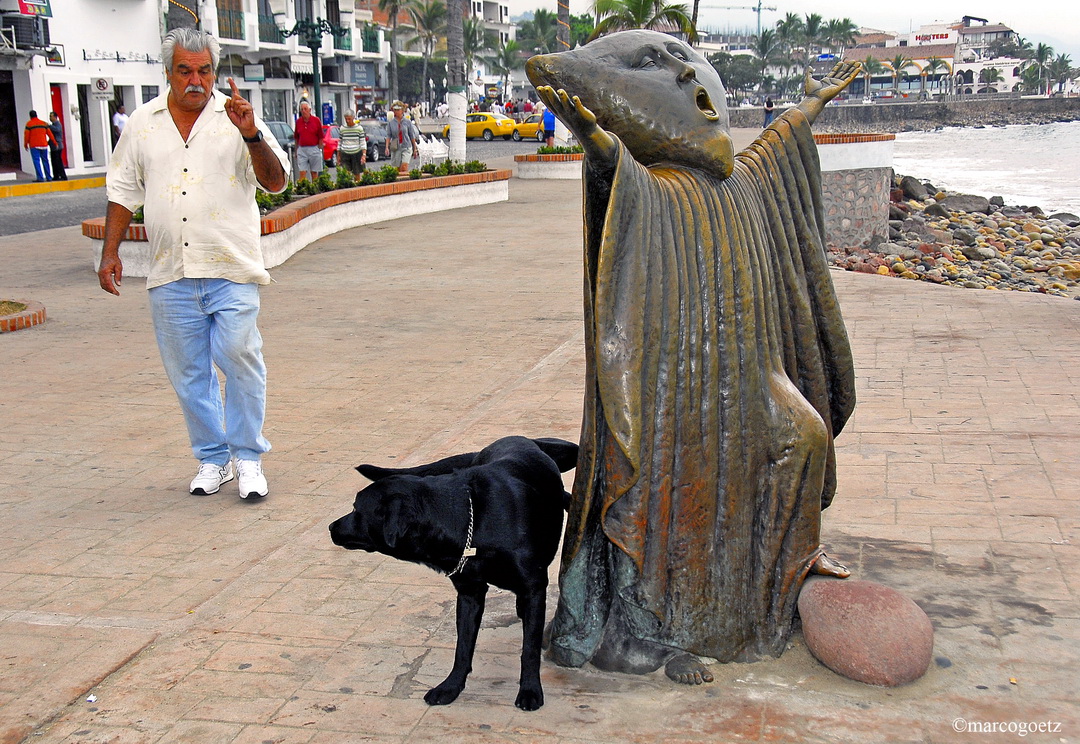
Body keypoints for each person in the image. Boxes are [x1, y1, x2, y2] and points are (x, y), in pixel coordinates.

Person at [528, 31, 857, 684]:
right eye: (656, 63)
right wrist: (599, 145)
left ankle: (772, 586)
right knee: (653, 486)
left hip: (753, 383)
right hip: (679, 395)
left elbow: (773, 149)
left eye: (688, 60)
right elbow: (618, 177)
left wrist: (809, 109)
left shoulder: (743, 181)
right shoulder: (654, 190)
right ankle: (648, 626)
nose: (685, 75)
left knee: (804, 438)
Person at [97, 28, 289, 500]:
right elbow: (123, 190)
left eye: (204, 70)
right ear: (168, 72)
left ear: (215, 72)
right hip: (170, 272)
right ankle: (213, 458)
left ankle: (248, 457)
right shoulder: (142, 123)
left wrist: (251, 134)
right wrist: (109, 252)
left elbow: (276, 182)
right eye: (185, 70)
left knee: (241, 358)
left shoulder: (237, 117)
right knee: (188, 372)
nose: (196, 80)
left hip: (230, 268)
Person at [385, 100, 420, 174]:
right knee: (397, 169)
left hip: (406, 146)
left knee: (404, 167)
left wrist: (415, 148)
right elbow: (388, 135)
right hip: (396, 147)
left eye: (398, 110)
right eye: (394, 110)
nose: (396, 112)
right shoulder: (391, 123)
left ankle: (405, 182)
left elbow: (411, 135)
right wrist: (387, 147)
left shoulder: (407, 122)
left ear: (402, 111)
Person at [294, 100, 323, 182]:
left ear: (309, 110)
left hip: (314, 148)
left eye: (305, 109)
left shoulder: (316, 120)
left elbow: (320, 135)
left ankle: (315, 189)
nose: (303, 111)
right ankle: (302, 188)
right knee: (302, 172)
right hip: (302, 149)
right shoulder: (298, 122)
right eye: (302, 109)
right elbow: (296, 137)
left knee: (314, 172)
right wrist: (296, 151)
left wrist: (319, 148)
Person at [23, 110, 57, 182]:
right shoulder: (43, 123)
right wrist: (54, 142)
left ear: (30, 116)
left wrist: (25, 144)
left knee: (36, 161)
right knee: (45, 161)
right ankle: (49, 177)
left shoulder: (29, 124)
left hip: (34, 146)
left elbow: (26, 136)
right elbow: (50, 134)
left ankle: (40, 177)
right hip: (44, 145)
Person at [337, 109, 367, 177]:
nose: (347, 121)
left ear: (353, 118)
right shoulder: (342, 128)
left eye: (349, 119)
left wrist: (364, 155)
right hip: (345, 152)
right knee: (346, 174)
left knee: (357, 174)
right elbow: (340, 142)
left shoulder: (359, 128)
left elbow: (363, 142)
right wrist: (338, 155)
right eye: (346, 119)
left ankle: (357, 186)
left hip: (356, 152)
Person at [48, 112, 67, 181]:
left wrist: (49, 126)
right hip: (53, 145)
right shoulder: (53, 125)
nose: (50, 118)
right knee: (54, 161)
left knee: (58, 161)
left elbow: (57, 130)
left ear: (55, 117)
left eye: (51, 116)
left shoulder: (57, 124)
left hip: (57, 146)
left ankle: (62, 175)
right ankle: (56, 175)